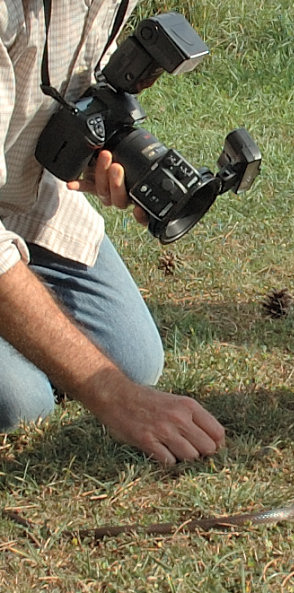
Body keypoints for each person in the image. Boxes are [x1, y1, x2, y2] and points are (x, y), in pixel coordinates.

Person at [0, 0, 225, 464]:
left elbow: (79, 79)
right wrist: (110, 394)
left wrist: (102, 144)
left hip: (28, 201)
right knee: (22, 404)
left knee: (135, 359)